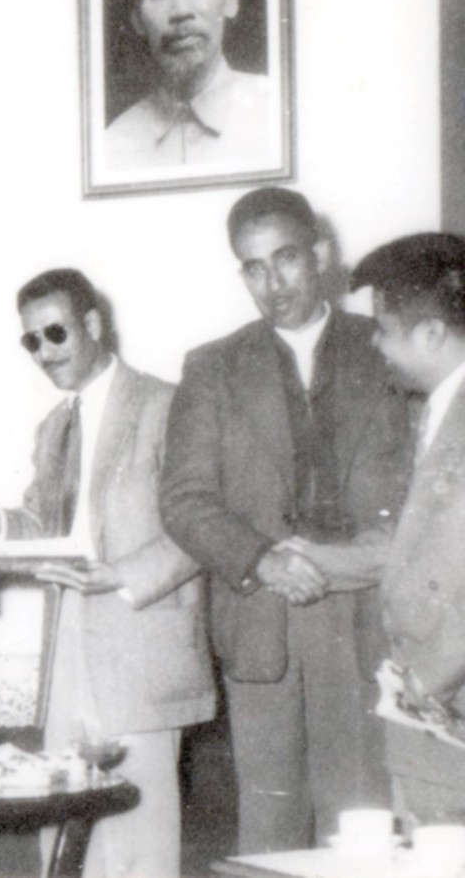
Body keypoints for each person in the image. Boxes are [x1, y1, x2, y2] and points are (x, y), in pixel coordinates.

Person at [160, 187, 413, 853]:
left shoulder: (388, 348)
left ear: (321, 254)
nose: (273, 283)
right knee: (268, 836)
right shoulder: (211, 367)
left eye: (287, 259)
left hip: (366, 623)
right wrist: (265, 559)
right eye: (253, 267)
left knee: (361, 831)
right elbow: (184, 500)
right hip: (263, 621)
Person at [0, 269, 215, 878]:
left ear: (94, 324)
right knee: (63, 836)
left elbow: (203, 524)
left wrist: (122, 576)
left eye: (55, 333)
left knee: (139, 850)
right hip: (66, 648)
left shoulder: (165, 404)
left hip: (140, 646)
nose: (43, 352)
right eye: (31, 341)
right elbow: (45, 524)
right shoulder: (53, 428)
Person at [348, 233, 465, 825]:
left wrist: (425, 685)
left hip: (447, 713)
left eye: (383, 328)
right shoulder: (438, 410)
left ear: (431, 334)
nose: (375, 343)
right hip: (430, 721)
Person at [106, 0, 276, 170]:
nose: (180, 11)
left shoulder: (278, 114)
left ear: (231, 1)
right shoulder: (112, 146)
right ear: (137, 19)